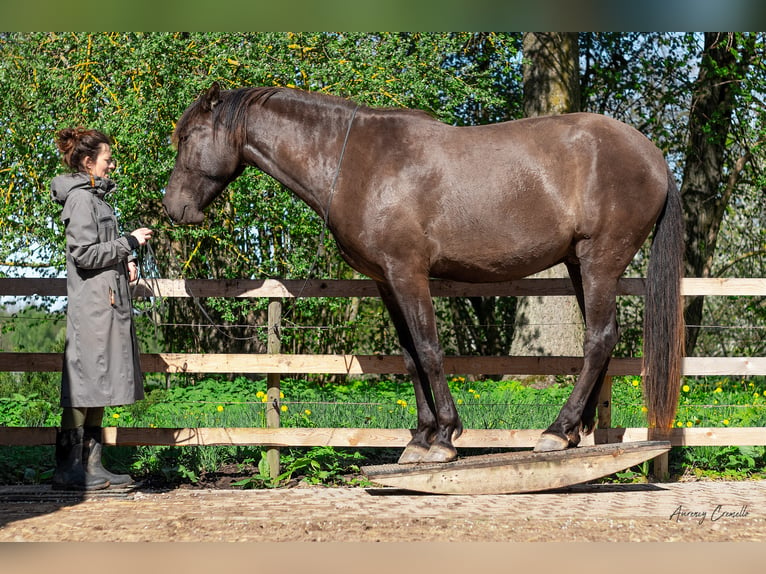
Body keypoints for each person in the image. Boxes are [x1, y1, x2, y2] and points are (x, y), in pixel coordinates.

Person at [50, 127, 153, 490]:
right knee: (84, 383)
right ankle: (68, 470)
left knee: (97, 383)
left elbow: (98, 250)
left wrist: (123, 260)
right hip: (93, 306)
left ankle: (92, 468)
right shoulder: (82, 201)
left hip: (104, 303)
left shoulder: (95, 199)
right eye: (107, 160)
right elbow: (83, 254)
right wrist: (127, 242)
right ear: (88, 161)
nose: (112, 165)